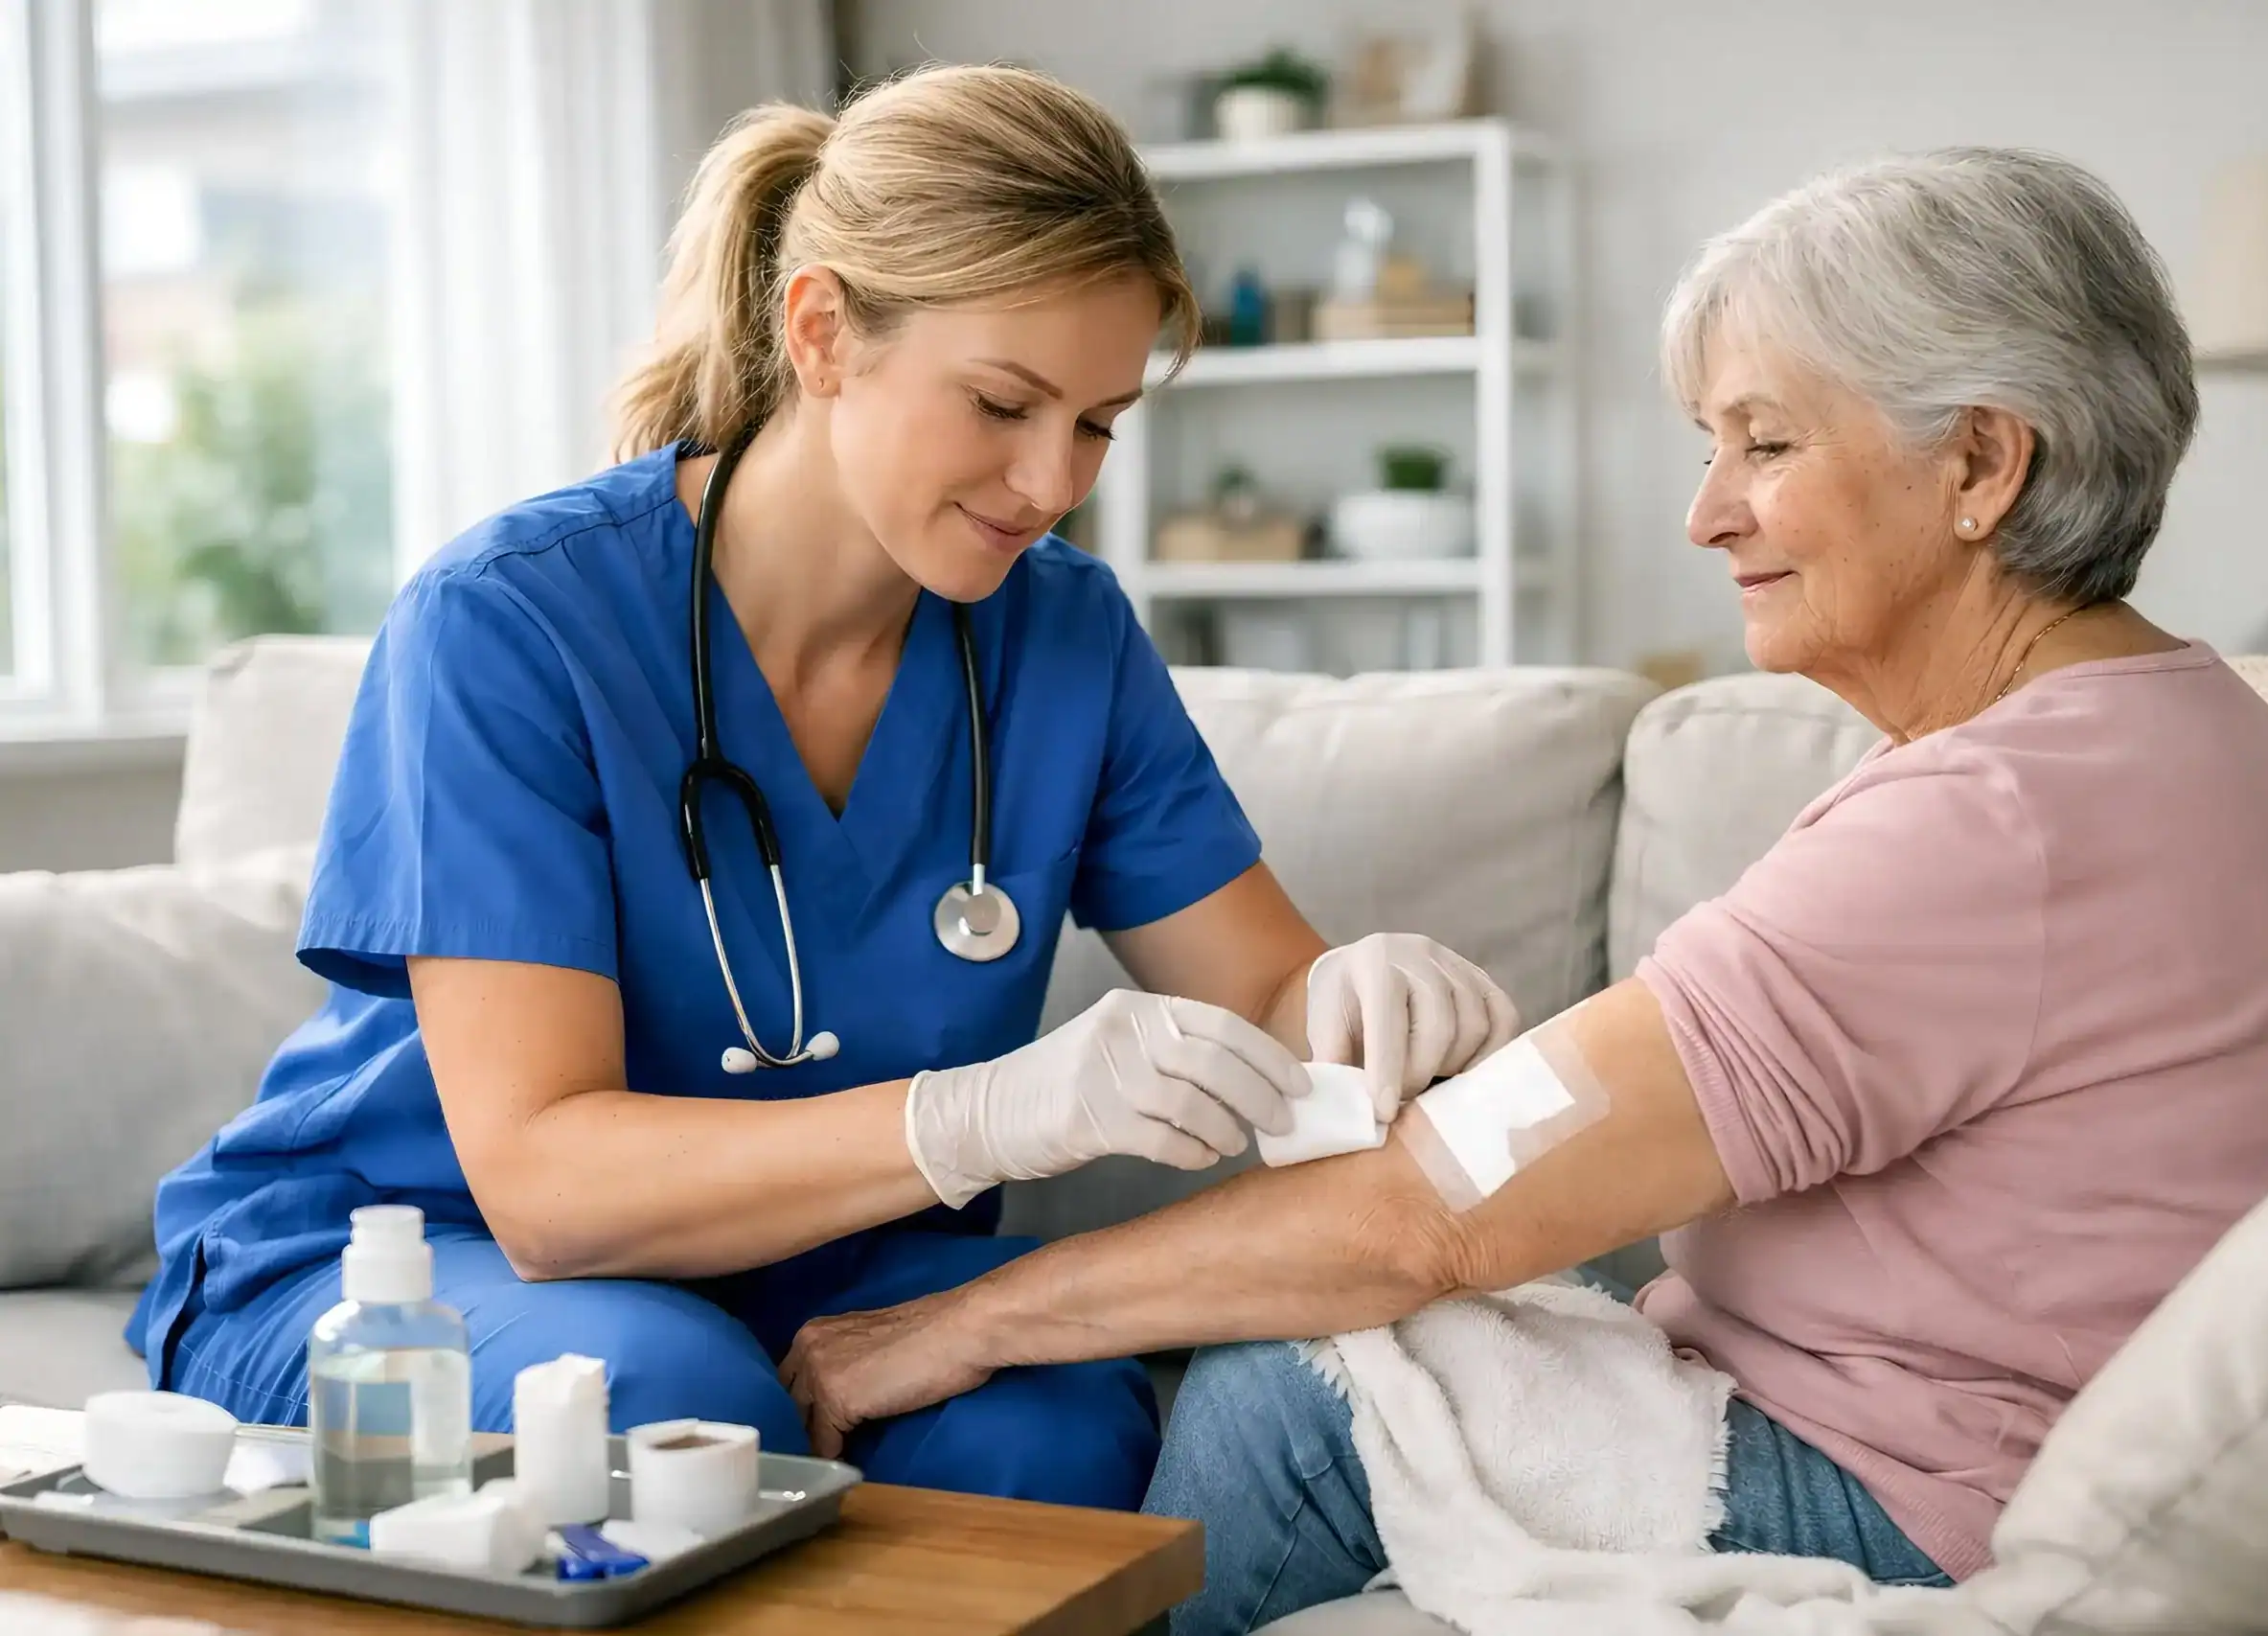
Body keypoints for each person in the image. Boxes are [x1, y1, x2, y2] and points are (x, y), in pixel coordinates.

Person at [774, 147, 2268, 1628]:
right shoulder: (2171, 729)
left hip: (1923, 1507)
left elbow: (1435, 1202)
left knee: (1295, 1388)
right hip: (1947, 1442)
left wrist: (962, 1321)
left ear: (1982, 464)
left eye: (1765, 442)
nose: (1706, 513)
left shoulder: (1999, 821)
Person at [125, 64, 1517, 1513]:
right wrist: (978, 1116)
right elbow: (542, 1182)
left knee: (1049, 1436)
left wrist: (1358, 996)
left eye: (1098, 422)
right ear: (824, 330)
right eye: (1002, 403)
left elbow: (1271, 994)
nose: (1052, 480)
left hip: (836, 1261)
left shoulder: (1062, 637)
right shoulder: (510, 623)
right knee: (675, 1412)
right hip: (417, 1256)